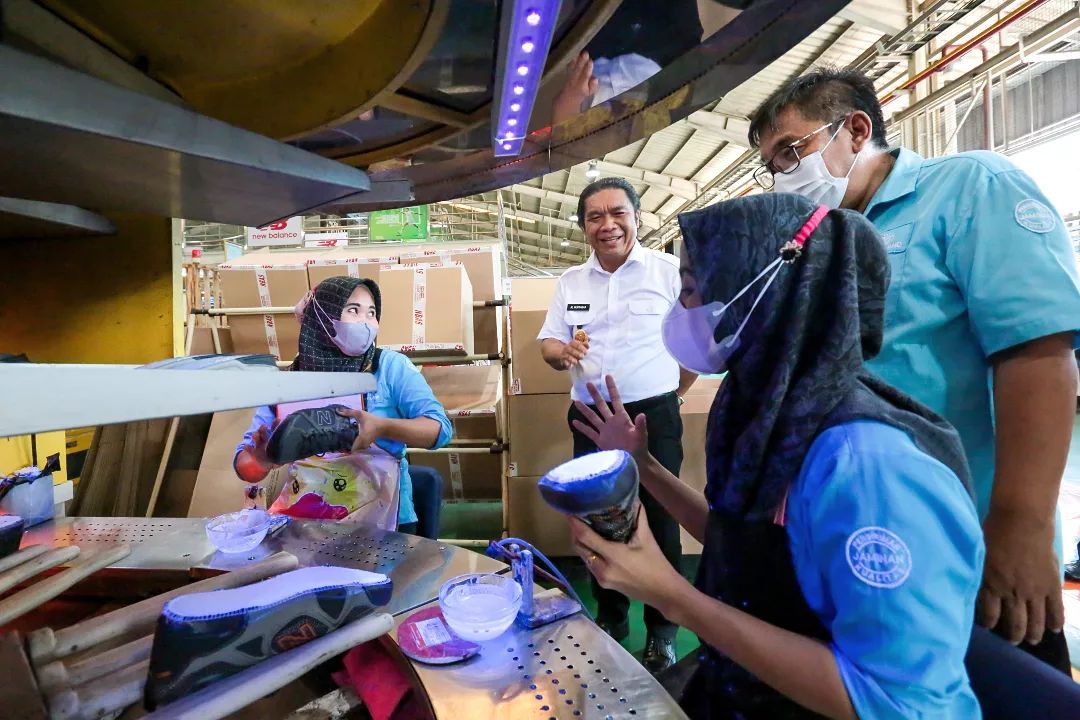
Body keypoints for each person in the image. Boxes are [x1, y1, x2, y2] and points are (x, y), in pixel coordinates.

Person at [570, 193, 984, 718]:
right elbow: (745, 541)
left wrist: (672, 595)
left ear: (759, 291)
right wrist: (645, 466)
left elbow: (894, 702)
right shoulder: (763, 404)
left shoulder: (868, 466)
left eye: (693, 289)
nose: (682, 311)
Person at [748, 66, 1080, 672]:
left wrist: (1020, 525)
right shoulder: (819, 243)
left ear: (854, 129)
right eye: (771, 164)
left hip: (971, 542)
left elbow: (1037, 354)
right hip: (868, 548)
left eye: (790, 151)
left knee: (1003, 686)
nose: (782, 174)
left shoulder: (968, 189)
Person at [537, 176, 697, 673]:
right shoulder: (571, 284)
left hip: (652, 415)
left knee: (660, 519)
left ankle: (663, 632)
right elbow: (547, 343)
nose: (607, 225)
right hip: (589, 418)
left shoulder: (668, 271)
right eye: (595, 217)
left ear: (637, 217)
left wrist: (669, 395)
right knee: (600, 520)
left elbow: (694, 344)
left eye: (617, 213)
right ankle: (611, 618)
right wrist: (561, 353)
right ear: (584, 226)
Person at [234, 276, 452, 537]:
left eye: (372, 313)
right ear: (323, 318)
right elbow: (245, 467)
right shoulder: (290, 382)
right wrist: (263, 458)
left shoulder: (391, 368)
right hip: (305, 523)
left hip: (383, 526)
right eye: (353, 311)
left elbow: (439, 430)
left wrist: (382, 427)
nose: (365, 322)